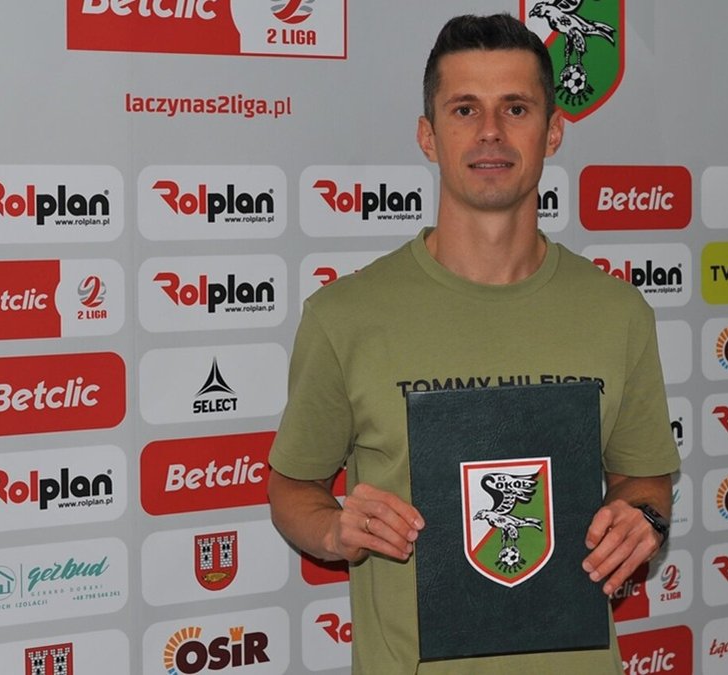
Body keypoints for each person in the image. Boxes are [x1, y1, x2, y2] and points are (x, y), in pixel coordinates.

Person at [267, 13, 679, 674]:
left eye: (515, 108)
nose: (490, 131)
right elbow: (292, 487)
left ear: (553, 131)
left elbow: (644, 476)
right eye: (464, 109)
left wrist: (643, 518)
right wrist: (333, 529)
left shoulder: (617, 312)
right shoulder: (346, 316)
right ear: (428, 137)